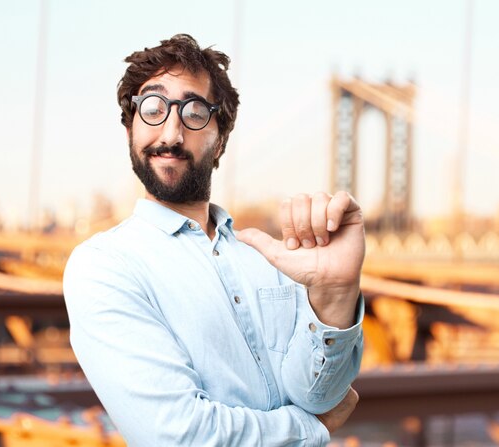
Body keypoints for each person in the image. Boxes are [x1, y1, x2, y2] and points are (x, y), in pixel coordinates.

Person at [63, 34, 366, 447]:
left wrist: (334, 297)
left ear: (220, 139)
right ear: (130, 129)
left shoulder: (274, 258)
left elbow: (317, 396)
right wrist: (310, 430)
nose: (170, 133)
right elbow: (177, 437)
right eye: (152, 109)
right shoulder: (103, 267)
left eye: (194, 113)